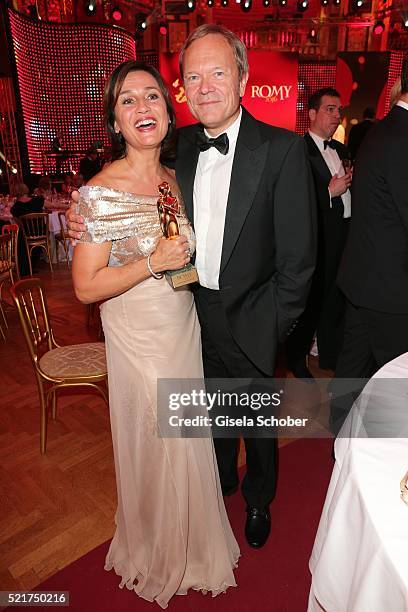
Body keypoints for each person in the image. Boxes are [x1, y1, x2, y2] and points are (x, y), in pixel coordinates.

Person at [67, 25, 316, 549]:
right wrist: (83, 218)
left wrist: (273, 325)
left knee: (256, 423)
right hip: (188, 318)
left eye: (217, 73)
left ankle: (258, 499)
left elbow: (299, 263)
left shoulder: (283, 150)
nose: (205, 87)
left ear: (243, 78)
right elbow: (118, 214)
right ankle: (218, 487)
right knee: (206, 421)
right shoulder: (177, 152)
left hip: (252, 317)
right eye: (193, 76)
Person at [71, 61, 239, 608]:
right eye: (127, 101)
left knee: (187, 440)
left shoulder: (177, 177)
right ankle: (157, 547)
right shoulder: (97, 194)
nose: (142, 108)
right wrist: (151, 262)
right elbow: (85, 288)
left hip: (182, 329)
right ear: (115, 120)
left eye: (152, 97)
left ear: (169, 112)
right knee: (156, 445)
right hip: (139, 342)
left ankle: (190, 543)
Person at [329, 52, 408, 434]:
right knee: (395, 388)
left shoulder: (385, 128)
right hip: (390, 292)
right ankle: (384, 470)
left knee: (352, 371)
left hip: (364, 279)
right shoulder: (403, 136)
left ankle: (341, 443)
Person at [287, 88, 352, 378]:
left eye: (339, 110)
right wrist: (328, 193)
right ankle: (296, 360)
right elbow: (293, 201)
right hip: (317, 239)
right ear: (312, 114)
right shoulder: (297, 151)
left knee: (335, 299)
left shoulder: (341, 150)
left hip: (344, 236)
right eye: (330, 109)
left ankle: (328, 354)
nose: (337, 116)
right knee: (310, 303)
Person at [11, 182, 44, 275]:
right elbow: (53, 205)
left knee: (19, 233)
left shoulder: (15, 207)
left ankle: (23, 266)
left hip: (27, 235)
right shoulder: (38, 201)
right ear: (26, 190)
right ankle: (32, 265)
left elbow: (19, 224)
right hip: (40, 233)